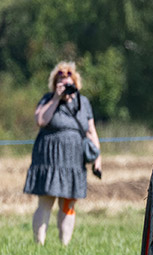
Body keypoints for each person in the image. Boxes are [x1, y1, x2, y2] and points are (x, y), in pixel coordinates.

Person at [23, 61, 102, 245]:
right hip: (49, 158)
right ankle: (39, 244)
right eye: (60, 81)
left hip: (73, 160)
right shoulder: (47, 99)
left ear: (75, 82)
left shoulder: (83, 103)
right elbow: (41, 120)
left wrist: (98, 157)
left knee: (69, 203)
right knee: (46, 201)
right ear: (54, 83)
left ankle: (64, 245)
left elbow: (91, 131)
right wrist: (56, 99)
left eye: (68, 80)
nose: (65, 83)